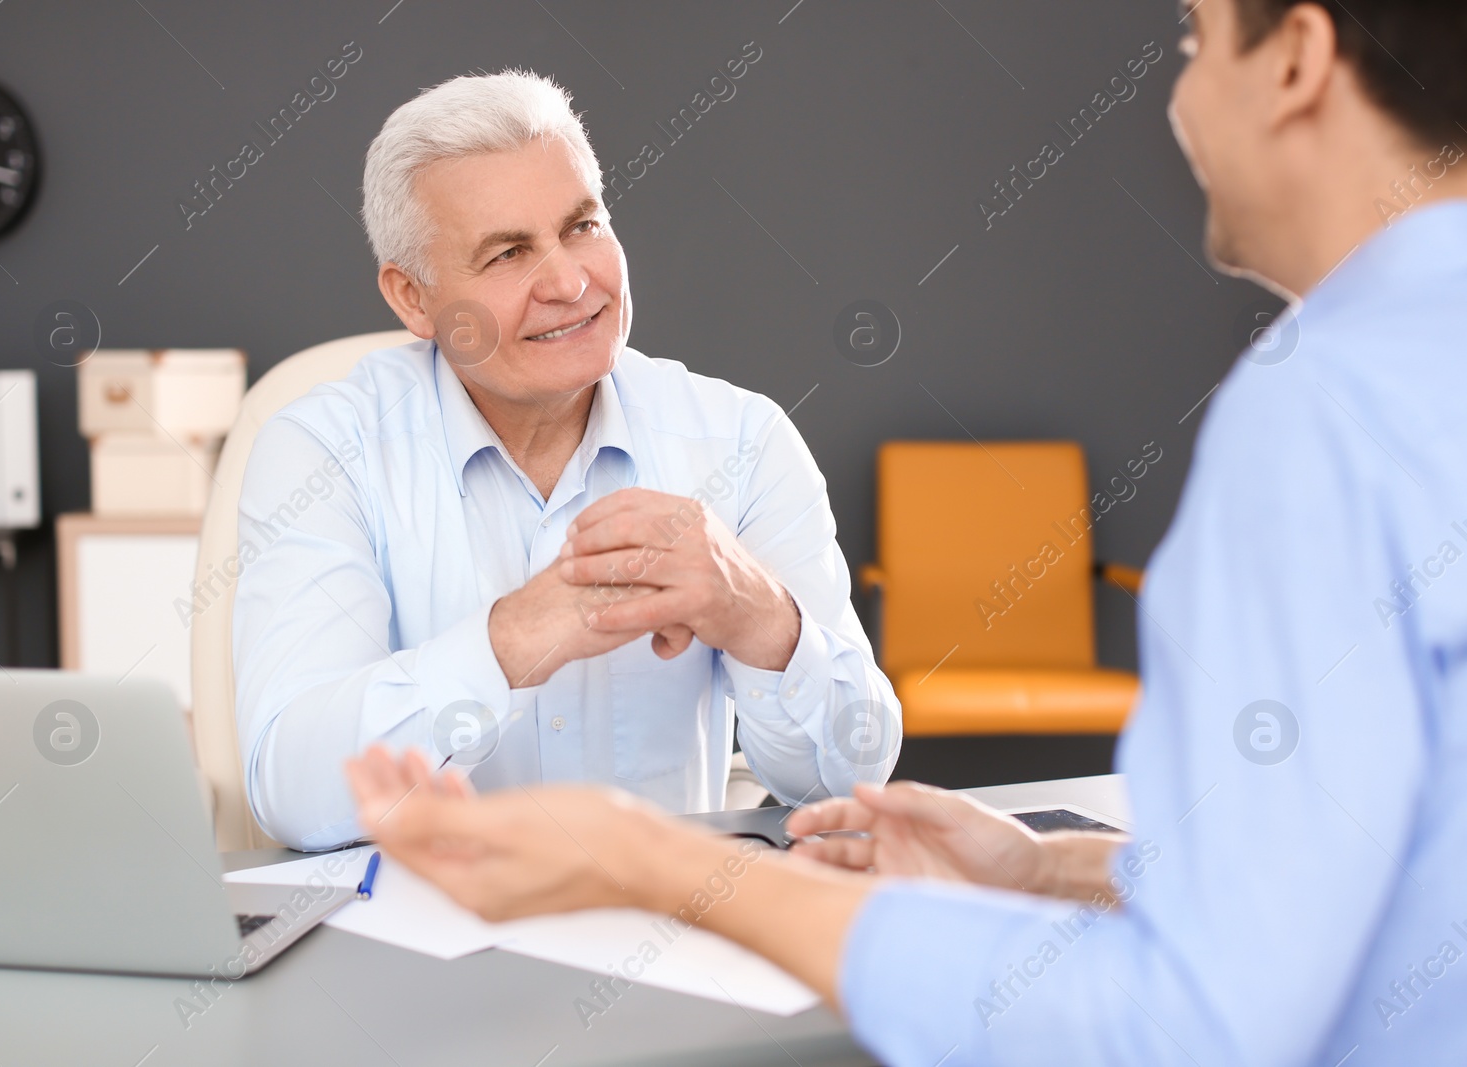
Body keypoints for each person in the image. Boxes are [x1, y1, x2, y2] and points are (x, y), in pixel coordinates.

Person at [345, 0, 1467, 1061]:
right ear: (409, 291)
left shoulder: (1328, 407)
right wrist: (1049, 865)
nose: (1177, 105)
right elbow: (1376, 871)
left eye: (1195, 39)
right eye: (504, 252)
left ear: (1294, 60)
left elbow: (1183, 1030)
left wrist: (649, 861)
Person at [232, 71, 900, 850]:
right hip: (422, 937)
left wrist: (761, 617)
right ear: (412, 298)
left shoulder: (742, 440)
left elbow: (850, 778)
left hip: (665, 929)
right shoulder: (321, 451)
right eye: (509, 252)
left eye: (582, 226)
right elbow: (292, 788)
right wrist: (516, 637)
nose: (570, 281)